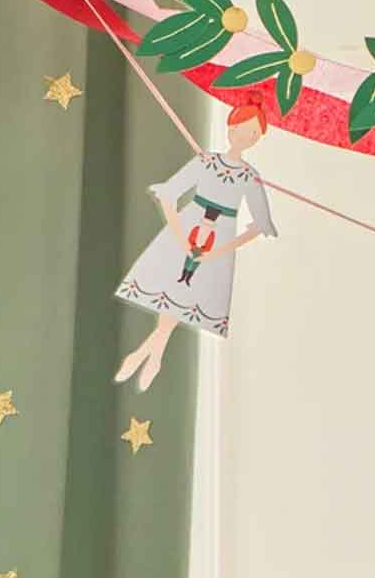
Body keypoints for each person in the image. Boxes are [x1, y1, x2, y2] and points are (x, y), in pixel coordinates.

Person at [114, 101, 277, 390]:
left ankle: (147, 354)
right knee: (175, 287)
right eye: (243, 129)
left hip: (220, 237)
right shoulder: (206, 162)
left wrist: (221, 250)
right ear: (231, 128)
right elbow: (169, 195)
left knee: (186, 292)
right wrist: (179, 236)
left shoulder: (249, 177)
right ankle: (151, 356)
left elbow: (259, 224)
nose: (247, 137)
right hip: (188, 226)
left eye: (254, 134)